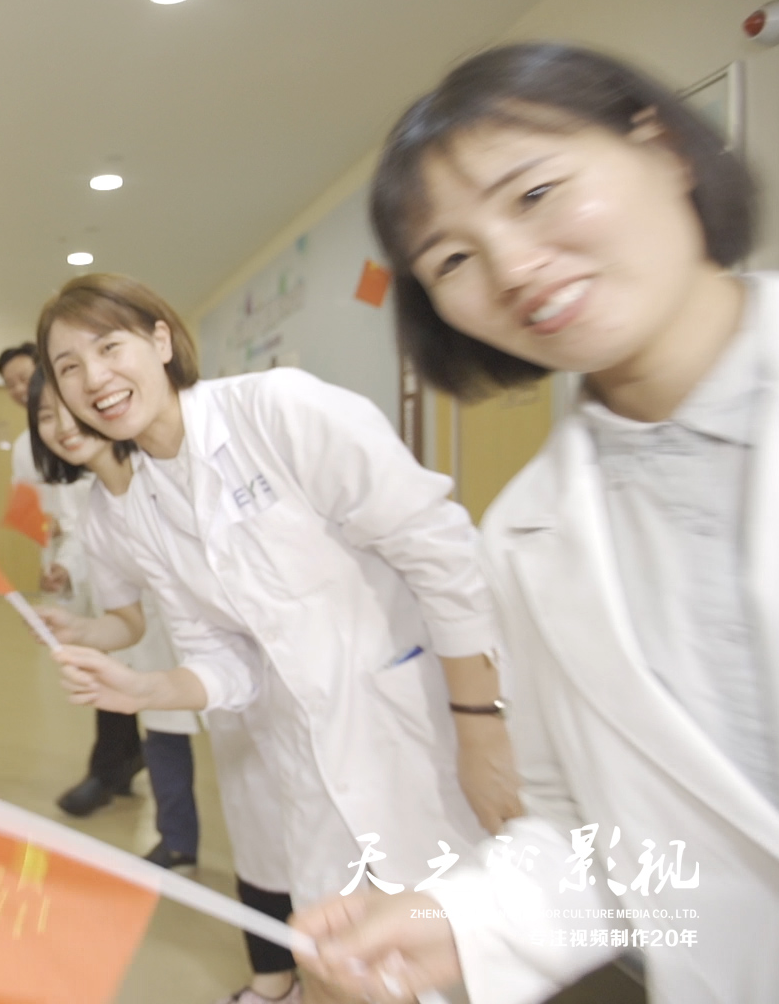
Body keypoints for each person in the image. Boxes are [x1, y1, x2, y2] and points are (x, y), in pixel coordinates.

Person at [295, 43, 779, 1004]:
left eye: (535, 194)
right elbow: (592, 830)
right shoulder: (527, 533)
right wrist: (464, 923)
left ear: (663, 149)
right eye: (452, 260)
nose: (515, 268)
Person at [38, 273, 521, 984]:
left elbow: (440, 549)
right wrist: (144, 689)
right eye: (69, 367)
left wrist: (481, 727)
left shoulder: (278, 410)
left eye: (109, 347)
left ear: (162, 341)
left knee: (478, 956)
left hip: (425, 730)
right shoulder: (139, 511)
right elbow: (223, 657)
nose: (94, 379)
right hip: (303, 762)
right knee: (349, 969)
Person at [29, 372, 299, 1004]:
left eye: (69, 406)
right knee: (256, 828)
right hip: (209, 678)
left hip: (286, 668)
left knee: (317, 829)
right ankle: (274, 978)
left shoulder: (175, 470)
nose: (62, 425)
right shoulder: (100, 512)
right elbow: (127, 620)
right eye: (44, 415)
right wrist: (81, 630)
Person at [3, 339, 145, 817]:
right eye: (11, 385)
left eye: (26, 377)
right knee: (105, 663)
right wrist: (54, 560)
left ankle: (117, 766)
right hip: (79, 564)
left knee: (136, 672)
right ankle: (118, 763)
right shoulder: (27, 446)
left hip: (119, 567)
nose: (20, 388)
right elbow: (39, 510)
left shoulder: (103, 433)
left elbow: (87, 513)